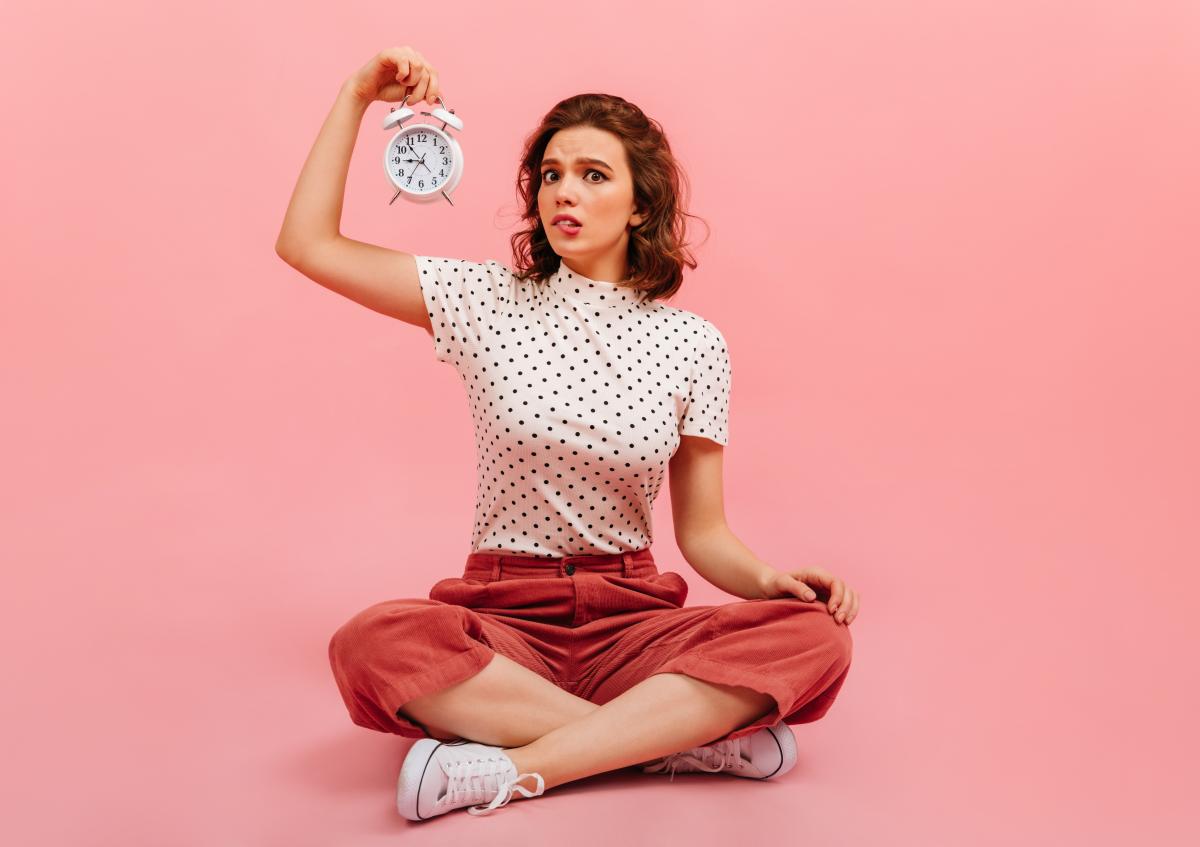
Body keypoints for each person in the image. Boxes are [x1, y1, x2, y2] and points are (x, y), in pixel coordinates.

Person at [276, 46, 860, 822]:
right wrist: (354, 97)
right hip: (505, 617)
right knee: (373, 642)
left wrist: (769, 582)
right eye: (550, 175)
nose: (563, 193)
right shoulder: (485, 298)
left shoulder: (694, 343)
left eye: (593, 174)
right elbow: (307, 244)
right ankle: (673, 746)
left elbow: (704, 532)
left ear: (641, 204)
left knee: (814, 637)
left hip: (634, 619)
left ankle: (507, 768)